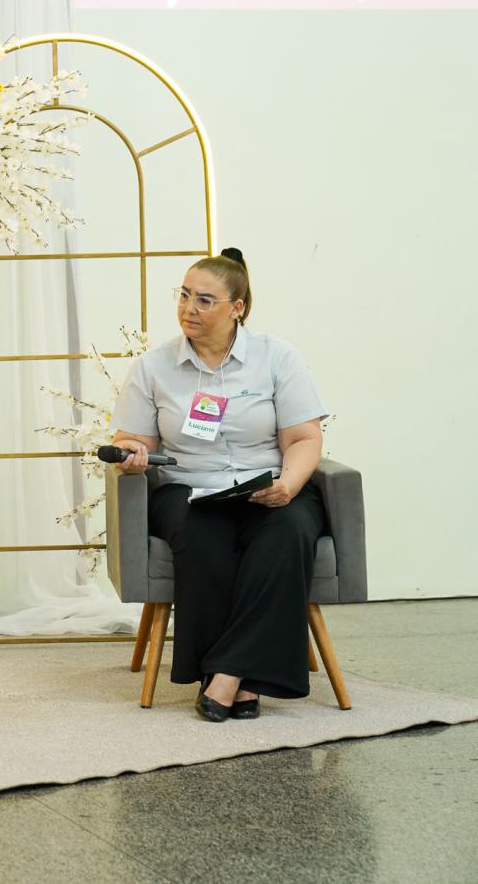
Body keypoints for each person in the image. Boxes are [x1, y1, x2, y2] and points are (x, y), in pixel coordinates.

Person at [110, 248, 328, 721]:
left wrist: (288, 486)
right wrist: (131, 455)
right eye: (185, 295)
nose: (189, 308)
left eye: (205, 300)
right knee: (203, 538)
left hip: (268, 484)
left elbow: (305, 437)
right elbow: (132, 439)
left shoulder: (277, 356)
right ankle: (243, 679)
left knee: (287, 532)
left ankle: (225, 674)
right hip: (188, 487)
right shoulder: (154, 367)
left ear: (238, 307)